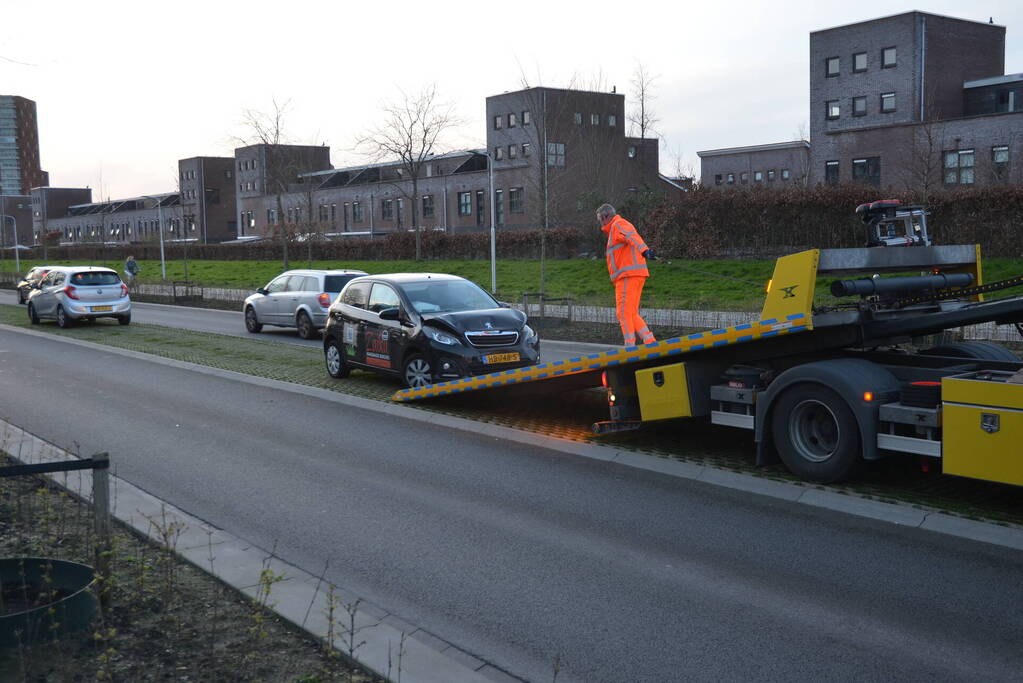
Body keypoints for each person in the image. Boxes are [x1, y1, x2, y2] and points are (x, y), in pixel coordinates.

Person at [597, 203, 655, 346]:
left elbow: (632, 236)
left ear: (605, 217)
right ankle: (650, 342)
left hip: (628, 275)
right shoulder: (616, 227)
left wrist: (644, 250)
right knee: (631, 313)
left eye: (600, 220)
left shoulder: (618, 225)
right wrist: (644, 251)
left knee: (622, 313)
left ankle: (629, 347)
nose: (600, 224)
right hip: (634, 274)